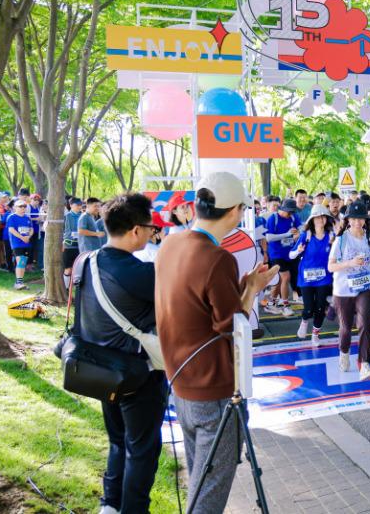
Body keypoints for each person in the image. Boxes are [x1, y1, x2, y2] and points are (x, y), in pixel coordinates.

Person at [155, 172, 278, 514]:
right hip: (214, 389)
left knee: (199, 478)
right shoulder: (217, 257)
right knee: (209, 489)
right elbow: (230, 324)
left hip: (181, 382)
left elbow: (199, 304)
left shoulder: (170, 245)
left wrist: (246, 286)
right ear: (236, 211)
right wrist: (251, 290)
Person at [75, 193, 165, 514]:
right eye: (151, 227)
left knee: (118, 441)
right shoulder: (141, 272)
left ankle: (110, 505)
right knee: (142, 449)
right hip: (137, 375)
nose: (153, 233)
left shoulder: (86, 261)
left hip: (100, 370)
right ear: (135, 230)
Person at [329, 201, 370, 381]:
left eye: (361, 219)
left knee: (365, 322)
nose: (358, 222)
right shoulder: (341, 240)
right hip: (343, 289)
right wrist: (350, 263)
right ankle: (344, 352)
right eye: (354, 219)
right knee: (345, 327)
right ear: (348, 220)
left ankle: (365, 364)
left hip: (365, 286)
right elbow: (330, 266)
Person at [291, 204, 336, 347]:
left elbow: (338, 256)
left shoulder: (331, 236)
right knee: (309, 308)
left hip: (323, 278)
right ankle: (304, 321)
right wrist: (298, 250)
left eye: (322, 217)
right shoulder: (306, 236)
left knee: (320, 308)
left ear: (326, 219)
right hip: (306, 279)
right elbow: (291, 255)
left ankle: (315, 335)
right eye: (316, 217)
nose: (319, 219)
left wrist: (334, 244)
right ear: (312, 220)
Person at [264, 199, 301, 317]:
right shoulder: (273, 218)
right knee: (286, 277)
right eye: (288, 212)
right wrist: (287, 234)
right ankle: (285, 305)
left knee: (279, 281)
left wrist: (297, 234)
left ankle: (270, 304)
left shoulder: (294, 217)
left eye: (292, 212)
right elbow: (268, 237)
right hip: (276, 254)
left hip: (289, 254)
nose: (290, 214)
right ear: (282, 209)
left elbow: (301, 228)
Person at [5, 199, 34, 289]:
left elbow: (31, 229)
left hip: (26, 243)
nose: (23, 208)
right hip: (17, 243)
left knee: (23, 262)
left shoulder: (27, 218)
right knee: (20, 261)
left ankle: (20, 282)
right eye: (20, 206)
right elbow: (11, 230)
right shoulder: (11, 217)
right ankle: (18, 283)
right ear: (15, 207)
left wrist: (28, 237)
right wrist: (22, 238)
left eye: (24, 206)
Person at [62, 198, 84, 286]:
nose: (79, 207)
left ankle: (76, 290)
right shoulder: (66, 216)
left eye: (80, 205)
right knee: (68, 269)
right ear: (70, 205)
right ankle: (66, 289)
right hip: (68, 246)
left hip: (80, 246)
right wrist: (62, 243)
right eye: (77, 205)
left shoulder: (83, 216)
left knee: (79, 269)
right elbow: (60, 231)